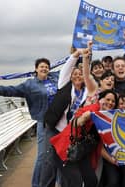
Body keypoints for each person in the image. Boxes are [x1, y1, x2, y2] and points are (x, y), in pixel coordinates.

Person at [0, 58, 59, 187]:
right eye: (41, 66)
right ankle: (37, 184)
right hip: (44, 123)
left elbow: (71, 67)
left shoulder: (54, 79)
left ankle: (50, 182)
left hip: (59, 122)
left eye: (47, 66)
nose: (44, 68)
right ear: (36, 69)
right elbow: (12, 90)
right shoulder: (30, 84)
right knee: (42, 156)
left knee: (55, 155)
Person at [40, 50, 87, 187]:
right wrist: (76, 54)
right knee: (49, 163)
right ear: (70, 76)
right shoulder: (64, 85)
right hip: (55, 129)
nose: (78, 76)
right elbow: (67, 67)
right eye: (75, 74)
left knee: (67, 163)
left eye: (81, 74)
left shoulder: (87, 93)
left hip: (70, 133)